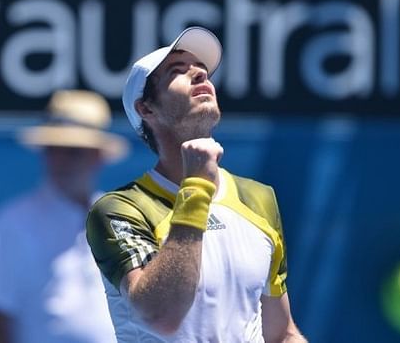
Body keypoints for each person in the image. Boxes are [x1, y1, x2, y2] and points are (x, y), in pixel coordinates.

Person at [86, 26, 307, 342]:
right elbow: (161, 316)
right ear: (146, 108)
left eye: (203, 72)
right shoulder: (119, 209)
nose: (200, 77)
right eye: (179, 72)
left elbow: (281, 333)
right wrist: (197, 187)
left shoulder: (259, 198)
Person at [0, 90, 129, 343]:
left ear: (98, 156)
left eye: (74, 151)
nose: (61, 160)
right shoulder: (12, 223)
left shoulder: (119, 218)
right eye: (53, 149)